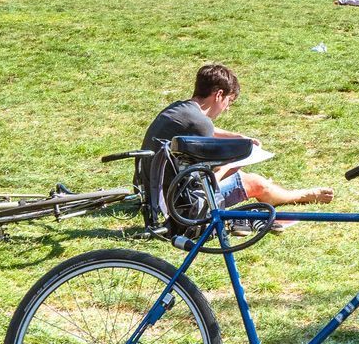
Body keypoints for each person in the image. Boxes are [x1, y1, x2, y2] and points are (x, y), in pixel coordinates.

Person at [138, 64, 334, 225]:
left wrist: (237, 136)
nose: (227, 108)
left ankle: (276, 191)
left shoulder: (181, 110)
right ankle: (301, 195)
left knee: (242, 175)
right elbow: (209, 179)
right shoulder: (201, 124)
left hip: (150, 192)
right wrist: (234, 164)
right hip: (178, 204)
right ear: (218, 94)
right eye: (228, 101)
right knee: (252, 181)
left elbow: (207, 128)